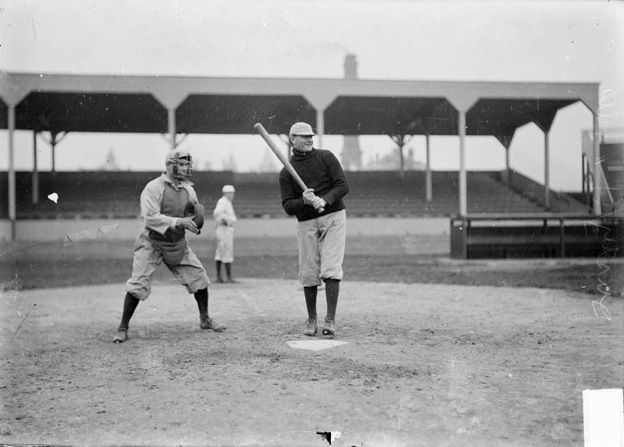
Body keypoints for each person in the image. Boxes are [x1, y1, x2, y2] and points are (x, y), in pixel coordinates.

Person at [113, 149, 225, 343]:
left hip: (177, 242)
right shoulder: (153, 187)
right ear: (170, 165)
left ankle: (205, 319)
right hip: (151, 241)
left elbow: (191, 214)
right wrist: (179, 222)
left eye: (187, 164)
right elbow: (150, 217)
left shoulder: (189, 189)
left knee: (199, 277)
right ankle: (122, 327)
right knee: (138, 284)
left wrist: (195, 221)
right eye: (181, 164)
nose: (185, 168)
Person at [278, 122, 349, 339]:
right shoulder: (286, 172)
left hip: (333, 217)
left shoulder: (325, 157)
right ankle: (311, 320)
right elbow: (288, 206)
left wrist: (324, 200)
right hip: (306, 222)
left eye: (311, 136)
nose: (309, 139)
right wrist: (304, 200)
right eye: (303, 136)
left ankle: (330, 320)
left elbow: (343, 185)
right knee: (308, 272)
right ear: (292, 139)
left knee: (331, 268)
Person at [213, 184, 237, 283]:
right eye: (229, 193)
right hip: (224, 229)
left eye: (232, 193)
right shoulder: (223, 201)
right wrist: (223, 220)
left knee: (222, 251)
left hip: (226, 229)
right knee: (225, 250)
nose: (231, 195)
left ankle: (222, 276)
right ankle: (226, 276)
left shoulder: (227, 202)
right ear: (225, 193)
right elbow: (217, 213)